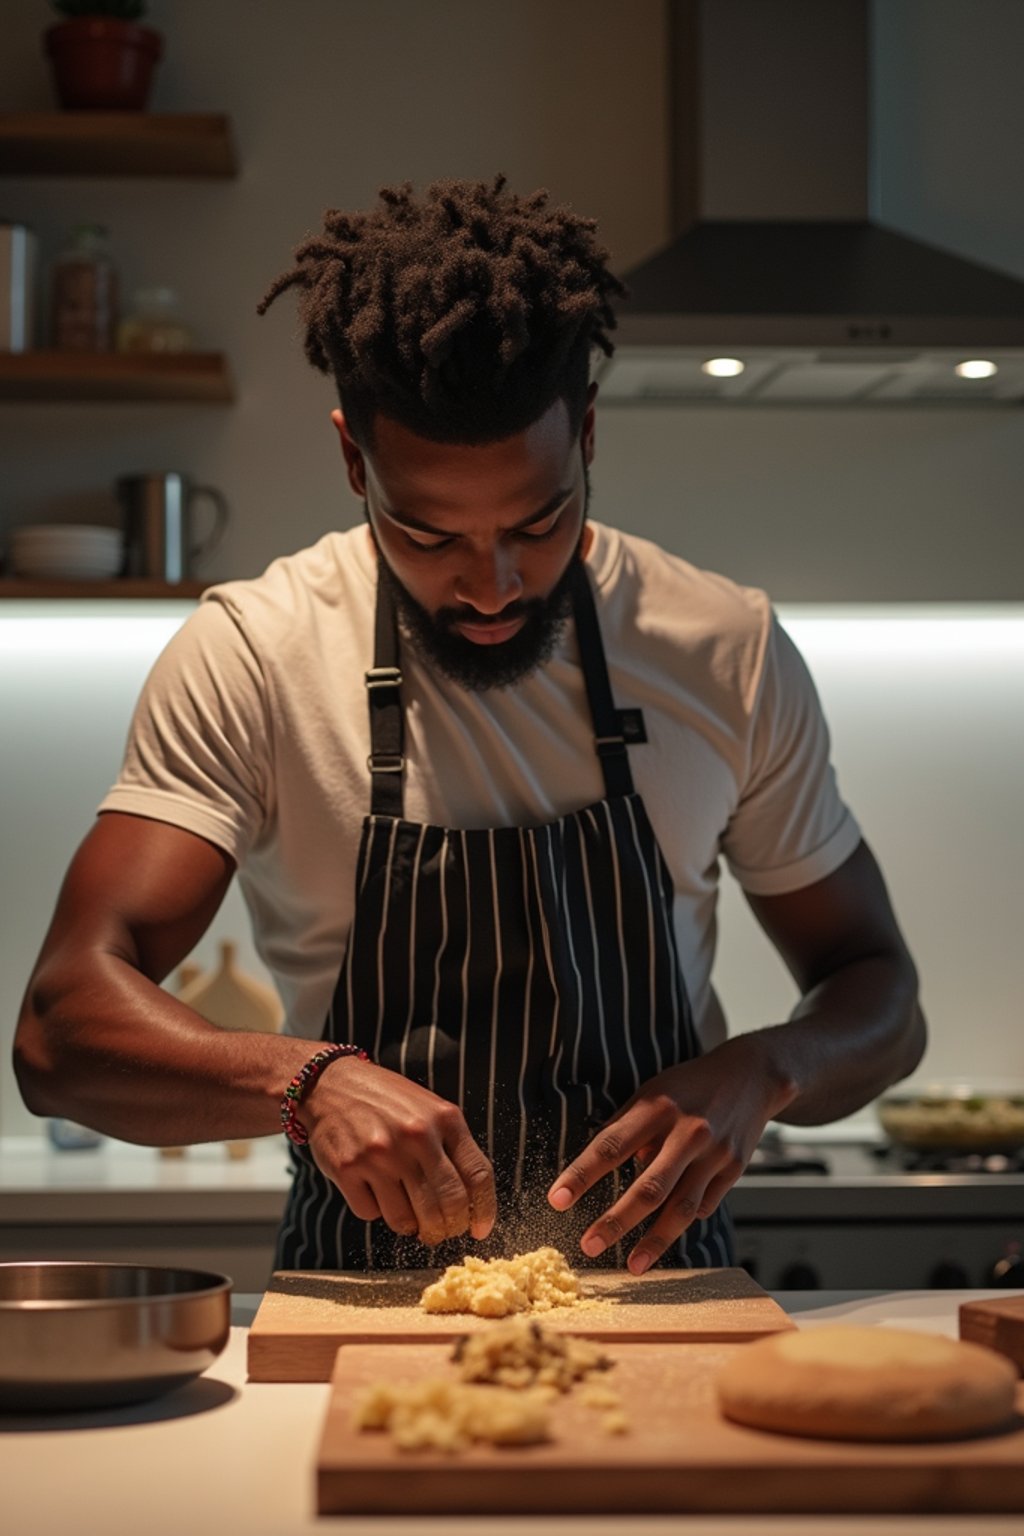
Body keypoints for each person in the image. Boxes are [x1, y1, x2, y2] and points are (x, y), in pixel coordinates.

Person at [14, 176, 925, 1276]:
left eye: (538, 523)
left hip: (664, 1290)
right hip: (354, 1301)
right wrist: (304, 1081)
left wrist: (765, 1069)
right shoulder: (254, 655)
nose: (490, 585)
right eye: (428, 532)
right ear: (355, 461)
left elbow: (879, 993)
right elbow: (61, 1030)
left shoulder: (721, 647)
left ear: (586, 437)